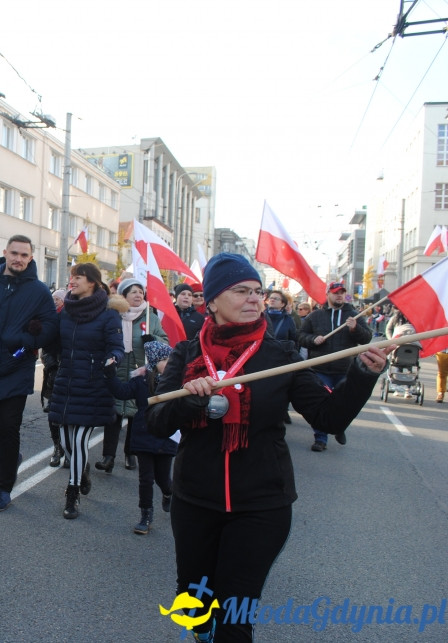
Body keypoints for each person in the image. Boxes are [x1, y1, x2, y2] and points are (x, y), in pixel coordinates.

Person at [146, 253, 389, 642]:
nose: (254, 298)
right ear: (211, 301)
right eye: (241, 291)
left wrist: (363, 375)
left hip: (261, 505)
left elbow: (329, 419)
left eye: (258, 291)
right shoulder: (188, 354)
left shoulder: (281, 356)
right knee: (194, 605)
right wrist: (189, 400)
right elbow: (157, 424)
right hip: (195, 501)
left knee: (234, 618)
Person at [0, 234, 60, 512]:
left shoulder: (38, 290)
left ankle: (3, 489)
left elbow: (51, 325)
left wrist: (27, 342)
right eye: (14, 253)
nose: (18, 259)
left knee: (8, 427)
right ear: (5, 253)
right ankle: (11, 456)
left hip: (18, 366)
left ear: (31, 258)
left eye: (24, 255)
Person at [48, 263, 124, 519]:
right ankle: (82, 470)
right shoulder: (66, 310)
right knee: (67, 443)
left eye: (77, 277)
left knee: (79, 440)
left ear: (91, 282)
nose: (72, 281)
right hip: (67, 381)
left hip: (93, 384)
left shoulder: (108, 312)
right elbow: (53, 341)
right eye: (71, 276)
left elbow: (117, 346)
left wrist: (113, 359)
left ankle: (72, 493)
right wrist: (37, 335)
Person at [105, 338, 176, 535]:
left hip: (166, 435)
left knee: (163, 478)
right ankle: (145, 515)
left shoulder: (176, 382)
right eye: (165, 360)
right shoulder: (140, 381)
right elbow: (121, 392)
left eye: (171, 360)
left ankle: (169, 493)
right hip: (144, 434)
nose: (169, 364)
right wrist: (110, 375)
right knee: (146, 479)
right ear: (154, 361)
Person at [96, 278, 168, 473]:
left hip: (141, 371)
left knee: (137, 414)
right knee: (114, 413)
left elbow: (164, 340)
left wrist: (151, 339)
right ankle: (108, 456)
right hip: (117, 369)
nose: (138, 295)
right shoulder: (114, 314)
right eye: (133, 292)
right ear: (124, 295)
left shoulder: (150, 316)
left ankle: (130, 453)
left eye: (140, 292)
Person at [297, 281, 372, 452]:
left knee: (343, 404)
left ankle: (339, 427)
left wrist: (355, 329)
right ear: (328, 294)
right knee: (321, 403)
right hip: (319, 368)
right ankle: (320, 438)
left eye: (342, 292)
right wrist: (312, 340)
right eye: (336, 292)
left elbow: (366, 338)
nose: (339, 295)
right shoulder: (315, 316)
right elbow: (301, 336)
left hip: (344, 368)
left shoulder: (354, 315)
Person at [40, 289, 67, 467]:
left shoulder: (70, 317)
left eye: (58, 299)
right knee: (53, 414)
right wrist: (51, 364)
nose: (55, 301)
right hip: (52, 374)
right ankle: (57, 447)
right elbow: (45, 348)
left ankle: (70, 449)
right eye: (54, 299)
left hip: (70, 372)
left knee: (69, 414)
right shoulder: (49, 318)